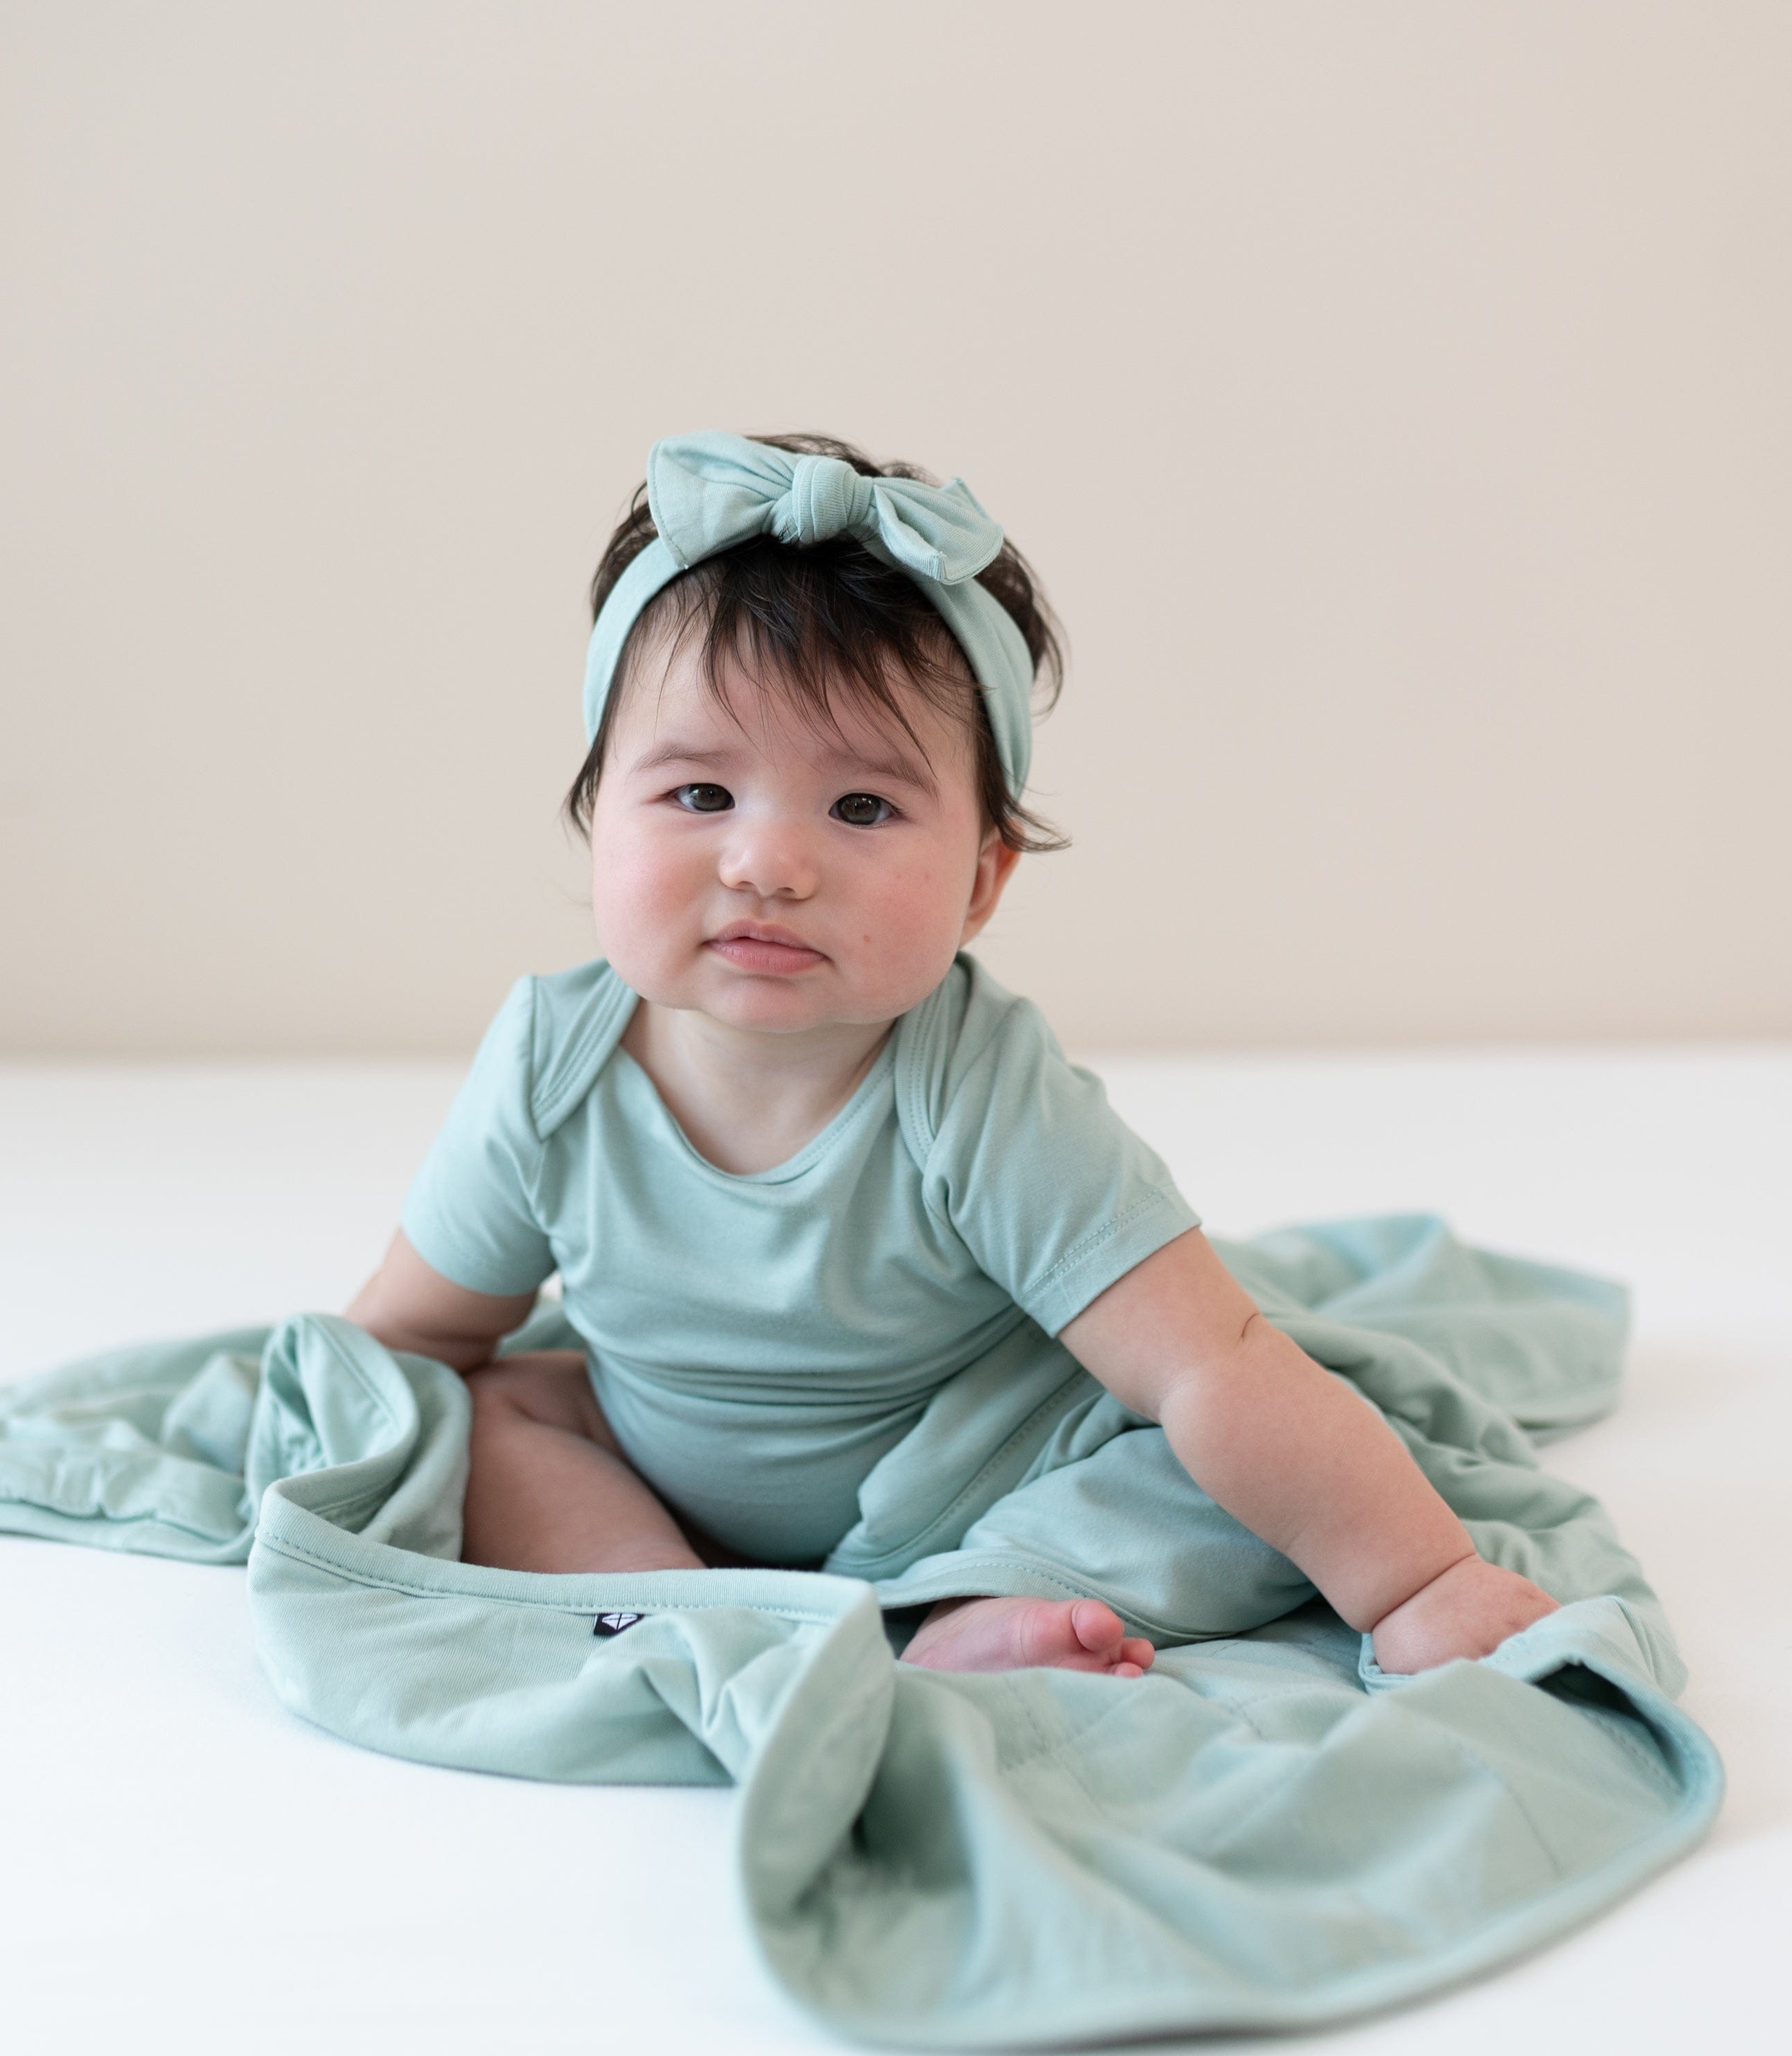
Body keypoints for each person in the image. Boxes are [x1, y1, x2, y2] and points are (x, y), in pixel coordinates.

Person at [346, 430, 1558, 1679]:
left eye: (861, 808)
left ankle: (965, 1612)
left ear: (981, 883)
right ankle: (661, 1612)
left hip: (971, 1481)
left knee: (1201, 1459)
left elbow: (1210, 1363)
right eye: (700, 796)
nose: (767, 863)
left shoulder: (977, 1092)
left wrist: (1424, 1582)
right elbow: (416, 1338)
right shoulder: (555, 1067)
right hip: (662, 1478)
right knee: (491, 1418)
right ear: (600, 818)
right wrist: (347, 1442)